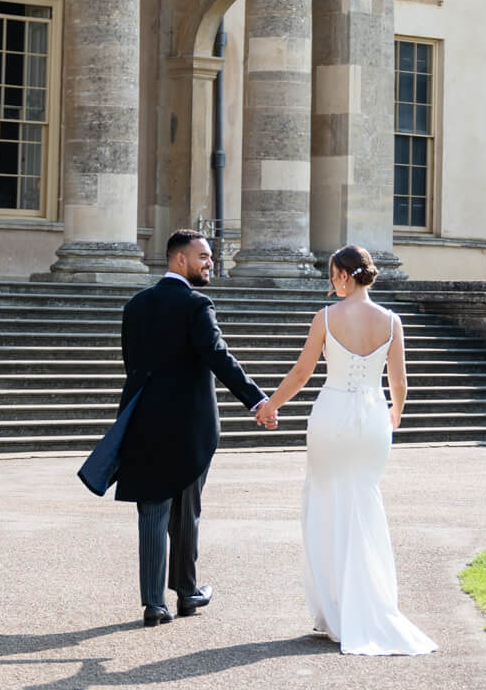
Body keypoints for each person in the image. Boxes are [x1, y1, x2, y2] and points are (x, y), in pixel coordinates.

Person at [264, 242, 436, 656]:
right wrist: (395, 413)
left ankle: (336, 609)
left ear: (343, 275)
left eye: (332, 275)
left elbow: (304, 371)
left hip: (332, 414)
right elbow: (400, 382)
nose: (331, 283)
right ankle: (369, 603)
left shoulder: (326, 317)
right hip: (373, 417)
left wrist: (272, 404)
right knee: (363, 503)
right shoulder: (391, 321)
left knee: (324, 503)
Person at [114, 228, 277, 626]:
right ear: (179, 260)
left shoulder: (136, 305)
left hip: (142, 422)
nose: (210, 263)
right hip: (188, 428)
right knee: (186, 512)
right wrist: (256, 400)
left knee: (151, 513)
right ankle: (186, 593)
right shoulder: (196, 303)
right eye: (204, 257)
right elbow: (218, 356)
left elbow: (130, 363)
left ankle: (155, 604)